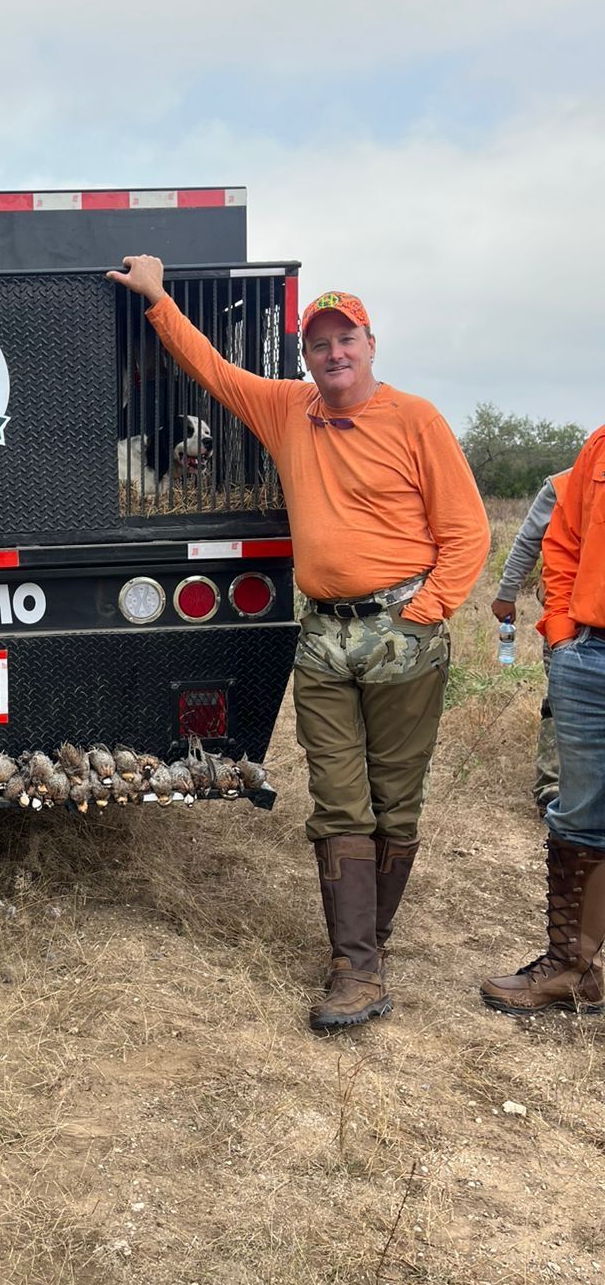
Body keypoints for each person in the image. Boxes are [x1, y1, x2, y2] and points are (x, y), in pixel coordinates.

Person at [107, 261, 490, 1033]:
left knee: (396, 799)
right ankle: (354, 965)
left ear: (370, 344)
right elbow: (212, 370)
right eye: (319, 344)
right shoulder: (288, 410)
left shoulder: (417, 421)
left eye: (345, 338)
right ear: (305, 356)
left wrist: (424, 613)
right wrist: (156, 300)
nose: (333, 354)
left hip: (399, 635)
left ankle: (368, 945)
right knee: (338, 799)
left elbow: (467, 530)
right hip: (321, 635)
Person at [481, 429, 605, 1014]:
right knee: (580, 815)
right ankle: (575, 968)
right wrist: (562, 633)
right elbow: (557, 542)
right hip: (589, 653)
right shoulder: (597, 449)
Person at [491, 469, 571, 816]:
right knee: (562, 700)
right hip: (569, 621)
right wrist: (507, 594)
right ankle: (552, 787)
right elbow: (527, 541)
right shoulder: (562, 485)